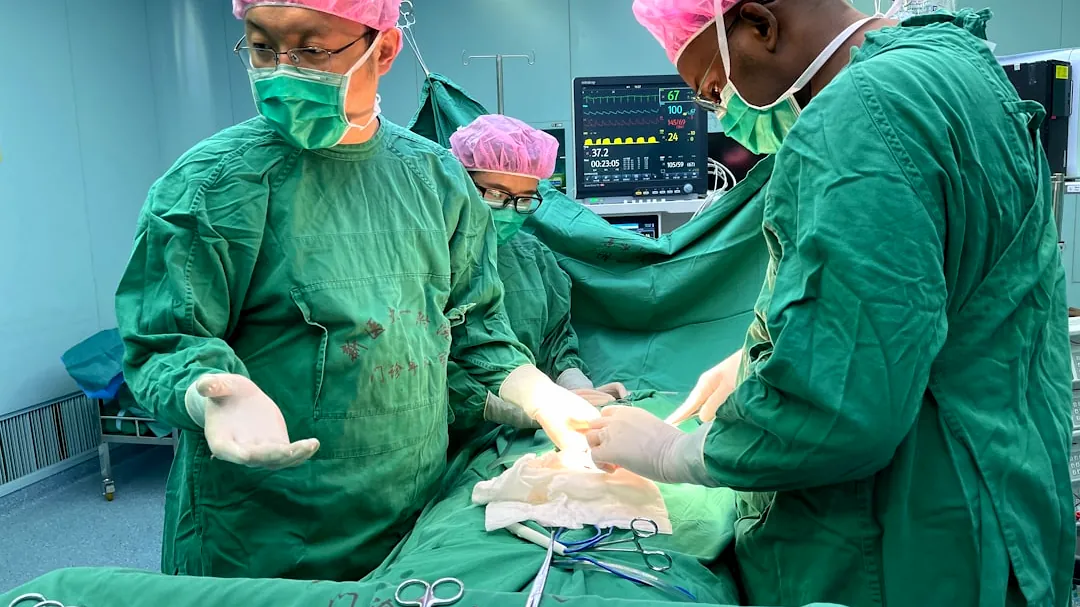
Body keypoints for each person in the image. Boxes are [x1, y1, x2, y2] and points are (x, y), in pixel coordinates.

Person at [587, 1, 1074, 606]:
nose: (721, 112)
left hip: (912, 539)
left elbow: (838, 408)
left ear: (762, 25)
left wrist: (673, 451)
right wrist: (758, 360)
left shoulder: (857, 117)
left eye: (714, 87)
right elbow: (939, 291)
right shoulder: (953, 70)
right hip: (1009, 484)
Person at [114, 0, 598, 581]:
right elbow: (165, 340)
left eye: (313, 50)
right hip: (259, 531)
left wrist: (542, 396)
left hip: (409, 506)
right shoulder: (211, 187)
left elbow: (477, 328)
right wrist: (211, 394)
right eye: (264, 47)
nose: (284, 69)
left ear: (385, 50)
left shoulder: (436, 180)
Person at [443, 115, 627, 441]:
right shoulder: (429, 260)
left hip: (529, 436)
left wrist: (575, 387)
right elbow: (419, 356)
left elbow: (554, 340)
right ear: (460, 184)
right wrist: (502, 407)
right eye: (497, 195)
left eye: (524, 199)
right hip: (451, 436)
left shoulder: (532, 256)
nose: (511, 210)